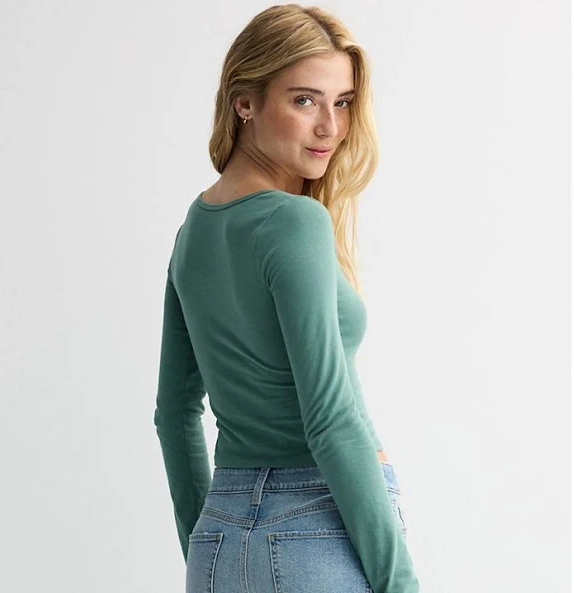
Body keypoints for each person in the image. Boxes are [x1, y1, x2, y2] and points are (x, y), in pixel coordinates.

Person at [153, 4, 421, 592]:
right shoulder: (294, 222)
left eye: (342, 102)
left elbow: (173, 413)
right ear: (244, 101)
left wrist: (205, 544)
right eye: (304, 100)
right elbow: (331, 419)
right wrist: (400, 585)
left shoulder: (193, 231)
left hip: (220, 538)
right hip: (317, 528)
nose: (330, 127)